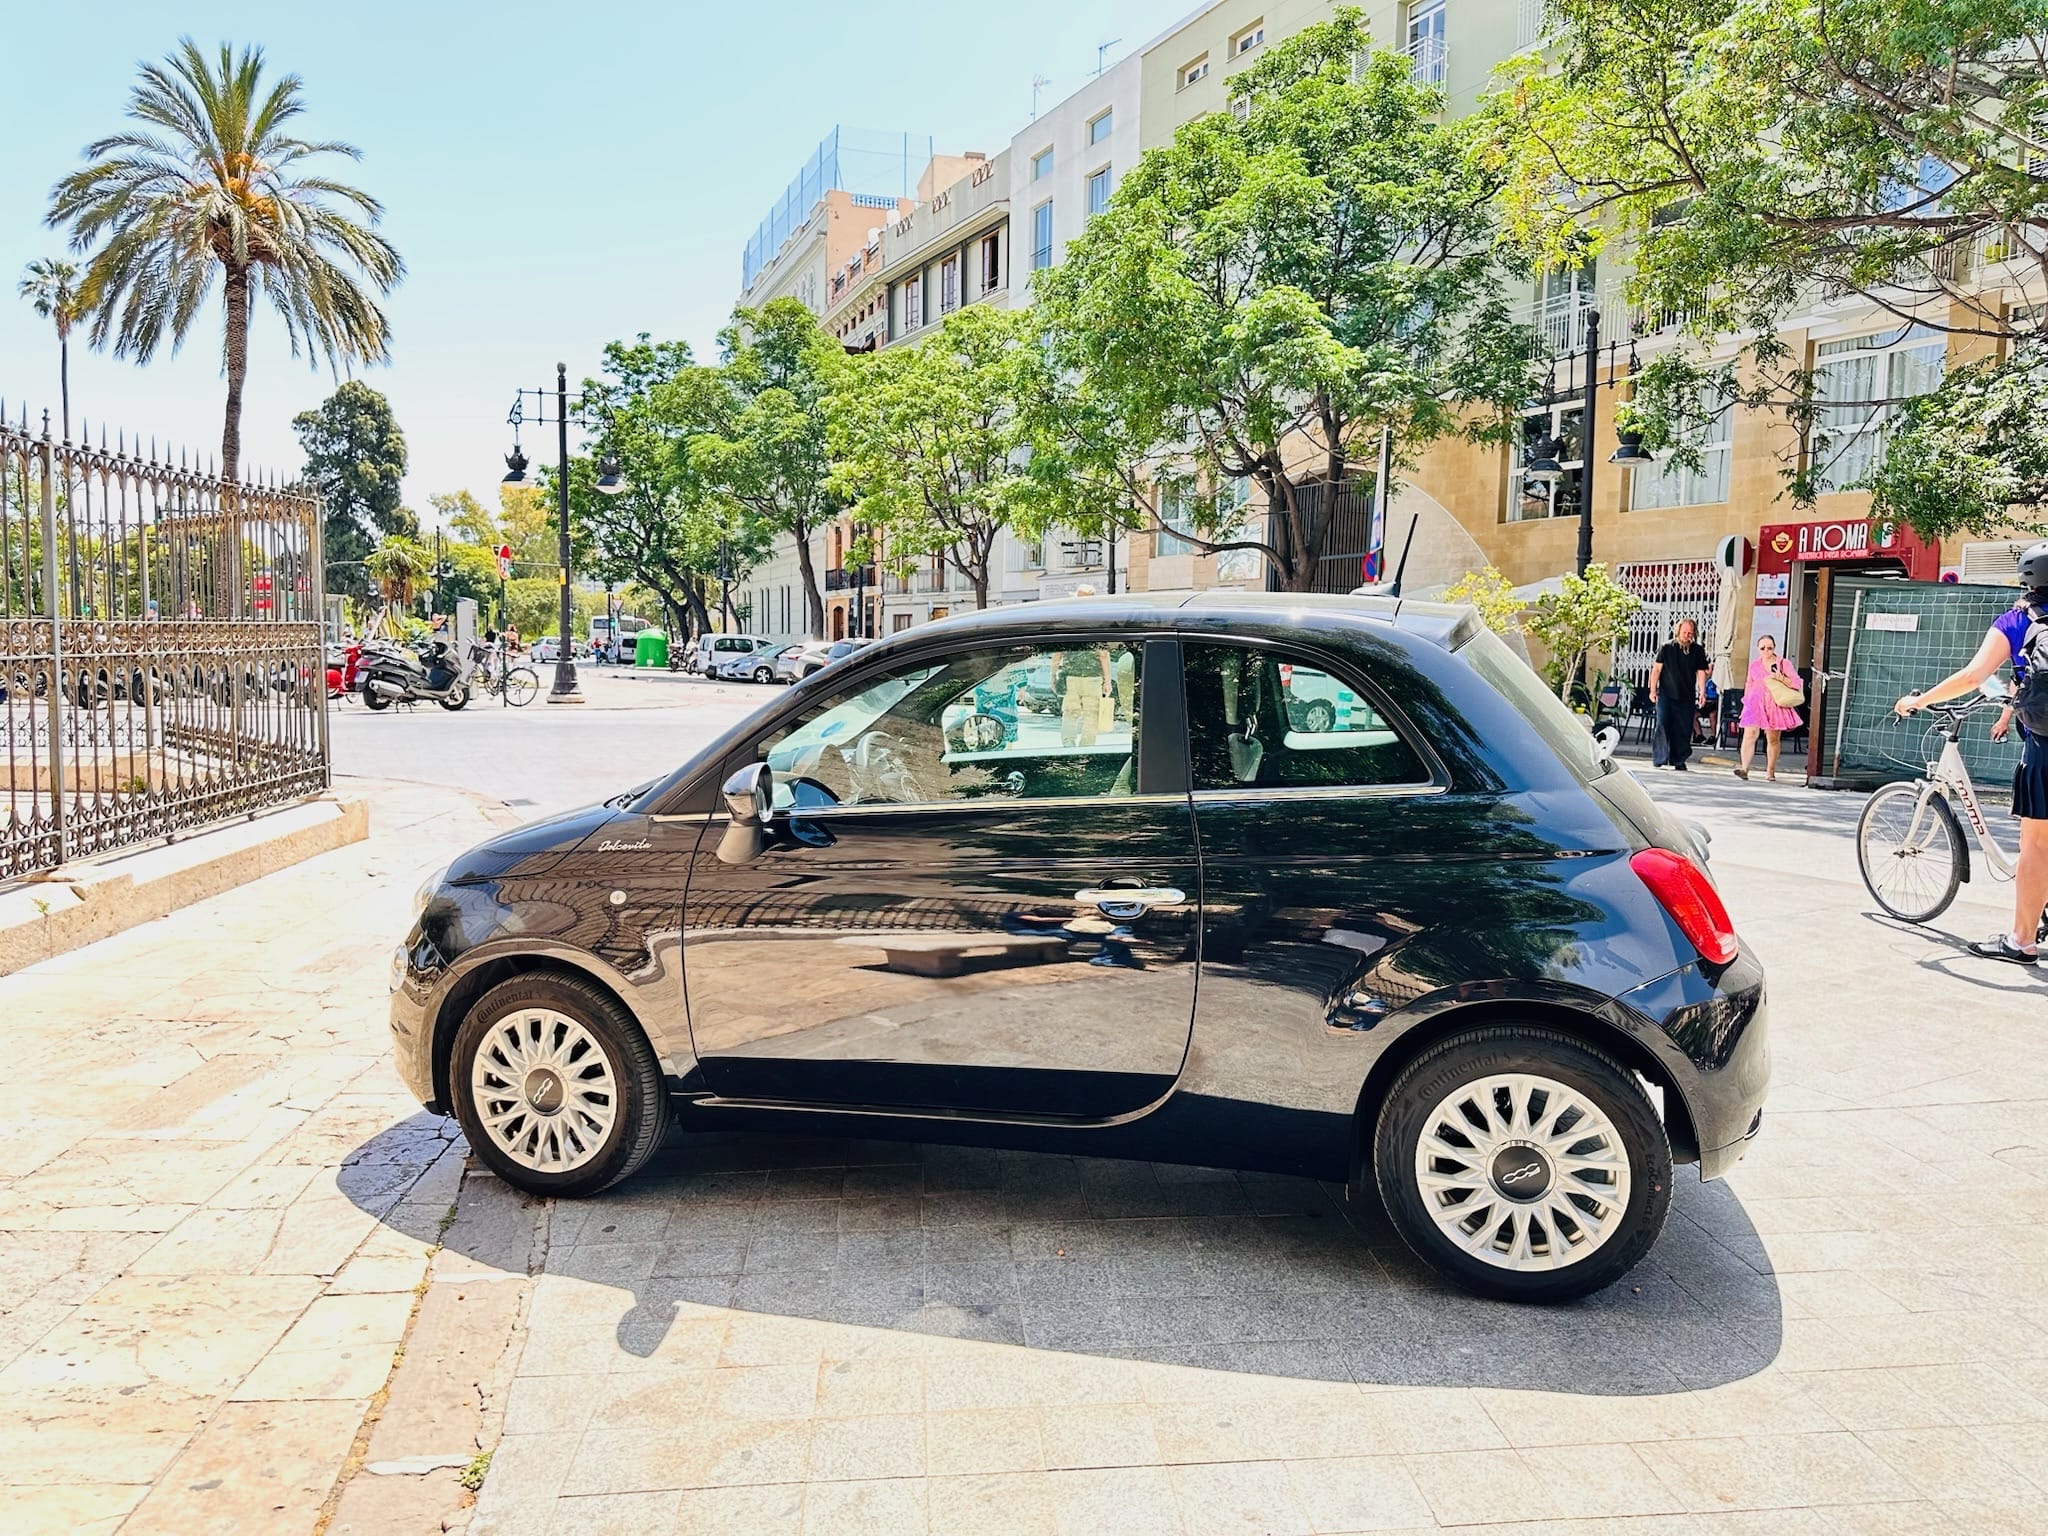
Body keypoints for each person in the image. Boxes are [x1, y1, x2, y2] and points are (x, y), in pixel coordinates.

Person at [1896, 538, 2048, 965]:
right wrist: (2007, 702)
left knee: (2037, 843)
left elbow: (1974, 675)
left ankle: (2021, 940)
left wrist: (1919, 700)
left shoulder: (2017, 620)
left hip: (2045, 747)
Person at [1735, 634, 1802, 781]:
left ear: (1774, 648)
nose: (1766, 651)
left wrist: (1781, 678)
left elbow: (1797, 683)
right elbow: (1749, 684)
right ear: (1758, 649)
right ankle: (1744, 768)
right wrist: (1746, 704)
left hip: (1774, 703)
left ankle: (1770, 770)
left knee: (1772, 738)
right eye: (1763, 648)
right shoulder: (1754, 665)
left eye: (1769, 648)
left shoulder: (1783, 663)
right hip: (1755, 702)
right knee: (1750, 734)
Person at [1649, 618, 1710, 772]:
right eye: (1684, 632)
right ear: (1678, 631)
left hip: (1686, 696)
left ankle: (1679, 759)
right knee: (1663, 724)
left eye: (1690, 633)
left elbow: (1701, 672)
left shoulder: (1697, 650)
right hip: (1666, 695)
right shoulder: (1667, 647)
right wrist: (1652, 690)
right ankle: (1660, 758)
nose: (1687, 635)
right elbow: (1656, 670)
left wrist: (1702, 692)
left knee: (1683, 728)